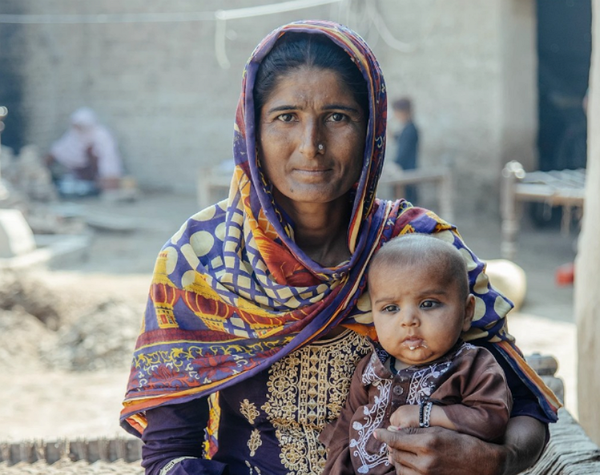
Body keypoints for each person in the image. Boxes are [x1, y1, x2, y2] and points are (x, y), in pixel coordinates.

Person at [120, 21, 559, 475]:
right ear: (252, 130)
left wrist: (495, 461)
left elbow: (526, 407)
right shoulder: (199, 260)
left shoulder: (421, 247)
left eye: (337, 117)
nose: (311, 146)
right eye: (286, 117)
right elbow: (170, 451)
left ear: (372, 130)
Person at [321, 234, 513, 474]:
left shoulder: (472, 365)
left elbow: (491, 418)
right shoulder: (369, 368)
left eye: (428, 303)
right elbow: (344, 431)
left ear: (466, 312)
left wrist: (426, 415)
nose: (409, 320)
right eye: (391, 308)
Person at [46, 107, 123, 196]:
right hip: (79, 178)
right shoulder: (73, 135)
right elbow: (57, 151)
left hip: (98, 176)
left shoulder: (101, 135)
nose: (78, 129)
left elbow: (109, 161)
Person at [392, 97, 419, 205]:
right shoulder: (407, 128)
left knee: (408, 204)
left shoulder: (410, 129)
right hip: (406, 170)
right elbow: (398, 138)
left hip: (407, 170)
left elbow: (403, 152)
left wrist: (394, 165)